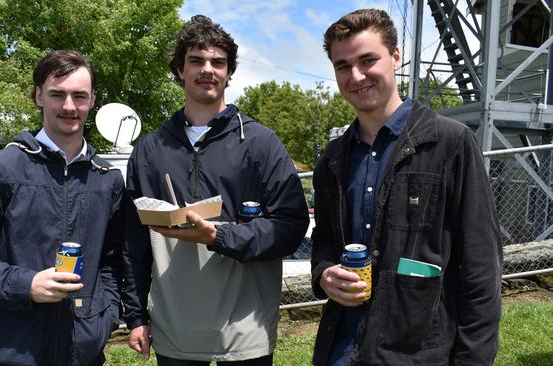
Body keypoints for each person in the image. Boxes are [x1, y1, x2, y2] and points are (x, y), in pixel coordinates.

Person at [310, 8, 502, 366]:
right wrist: (323, 275)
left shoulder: (451, 143)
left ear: (396, 57)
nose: (356, 75)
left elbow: (481, 268)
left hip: (417, 353)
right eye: (342, 65)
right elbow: (323, 242)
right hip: (340, 347)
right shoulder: (333, 158)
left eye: (368, 60)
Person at [121, 15, 309, 366]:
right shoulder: (150, 149)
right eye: (196, 61)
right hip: (175, 329)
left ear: (229, 72)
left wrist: (221, 237)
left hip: (246, 328)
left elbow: (291, 225)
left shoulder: (260, 143)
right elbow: (134, 242)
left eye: (218, 62)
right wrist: (135, 315)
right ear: (179, 70)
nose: (208, 69)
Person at [0, 50, 132, 365]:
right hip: (15, 348)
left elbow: (113, 262)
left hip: (84, 352)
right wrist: (26, 284)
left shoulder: (108, 179)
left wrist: (105, 318)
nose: (69, 106)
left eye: (79, 95)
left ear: (92, 100)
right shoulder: (0, 169)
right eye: (57, 94)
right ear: (38, 96)